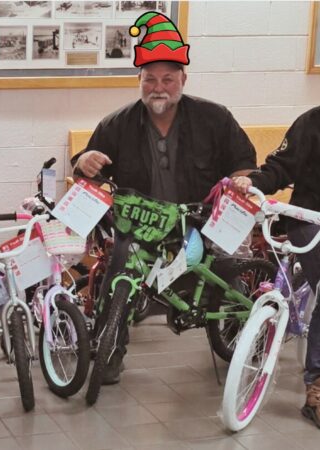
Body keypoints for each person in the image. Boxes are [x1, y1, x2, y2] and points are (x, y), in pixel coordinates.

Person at [72, 12, 257, 385]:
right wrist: (83, 161)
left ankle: (240, 337)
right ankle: (110, 352)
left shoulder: (215, 118)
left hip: (201, 220)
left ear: (182, 80)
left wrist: (242, 181)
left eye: (168, 79)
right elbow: (85, 170)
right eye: (150, 79)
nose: (159, 87)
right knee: (118, 270)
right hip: (141, 224)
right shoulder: (117, 124)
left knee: (228, 272)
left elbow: (244, 162)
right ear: (139, 80)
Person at [233, 106, 320, 428]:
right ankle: (316, 384)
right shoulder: (312, 122)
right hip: (311, 219)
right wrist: (252, 181)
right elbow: (281, 167)